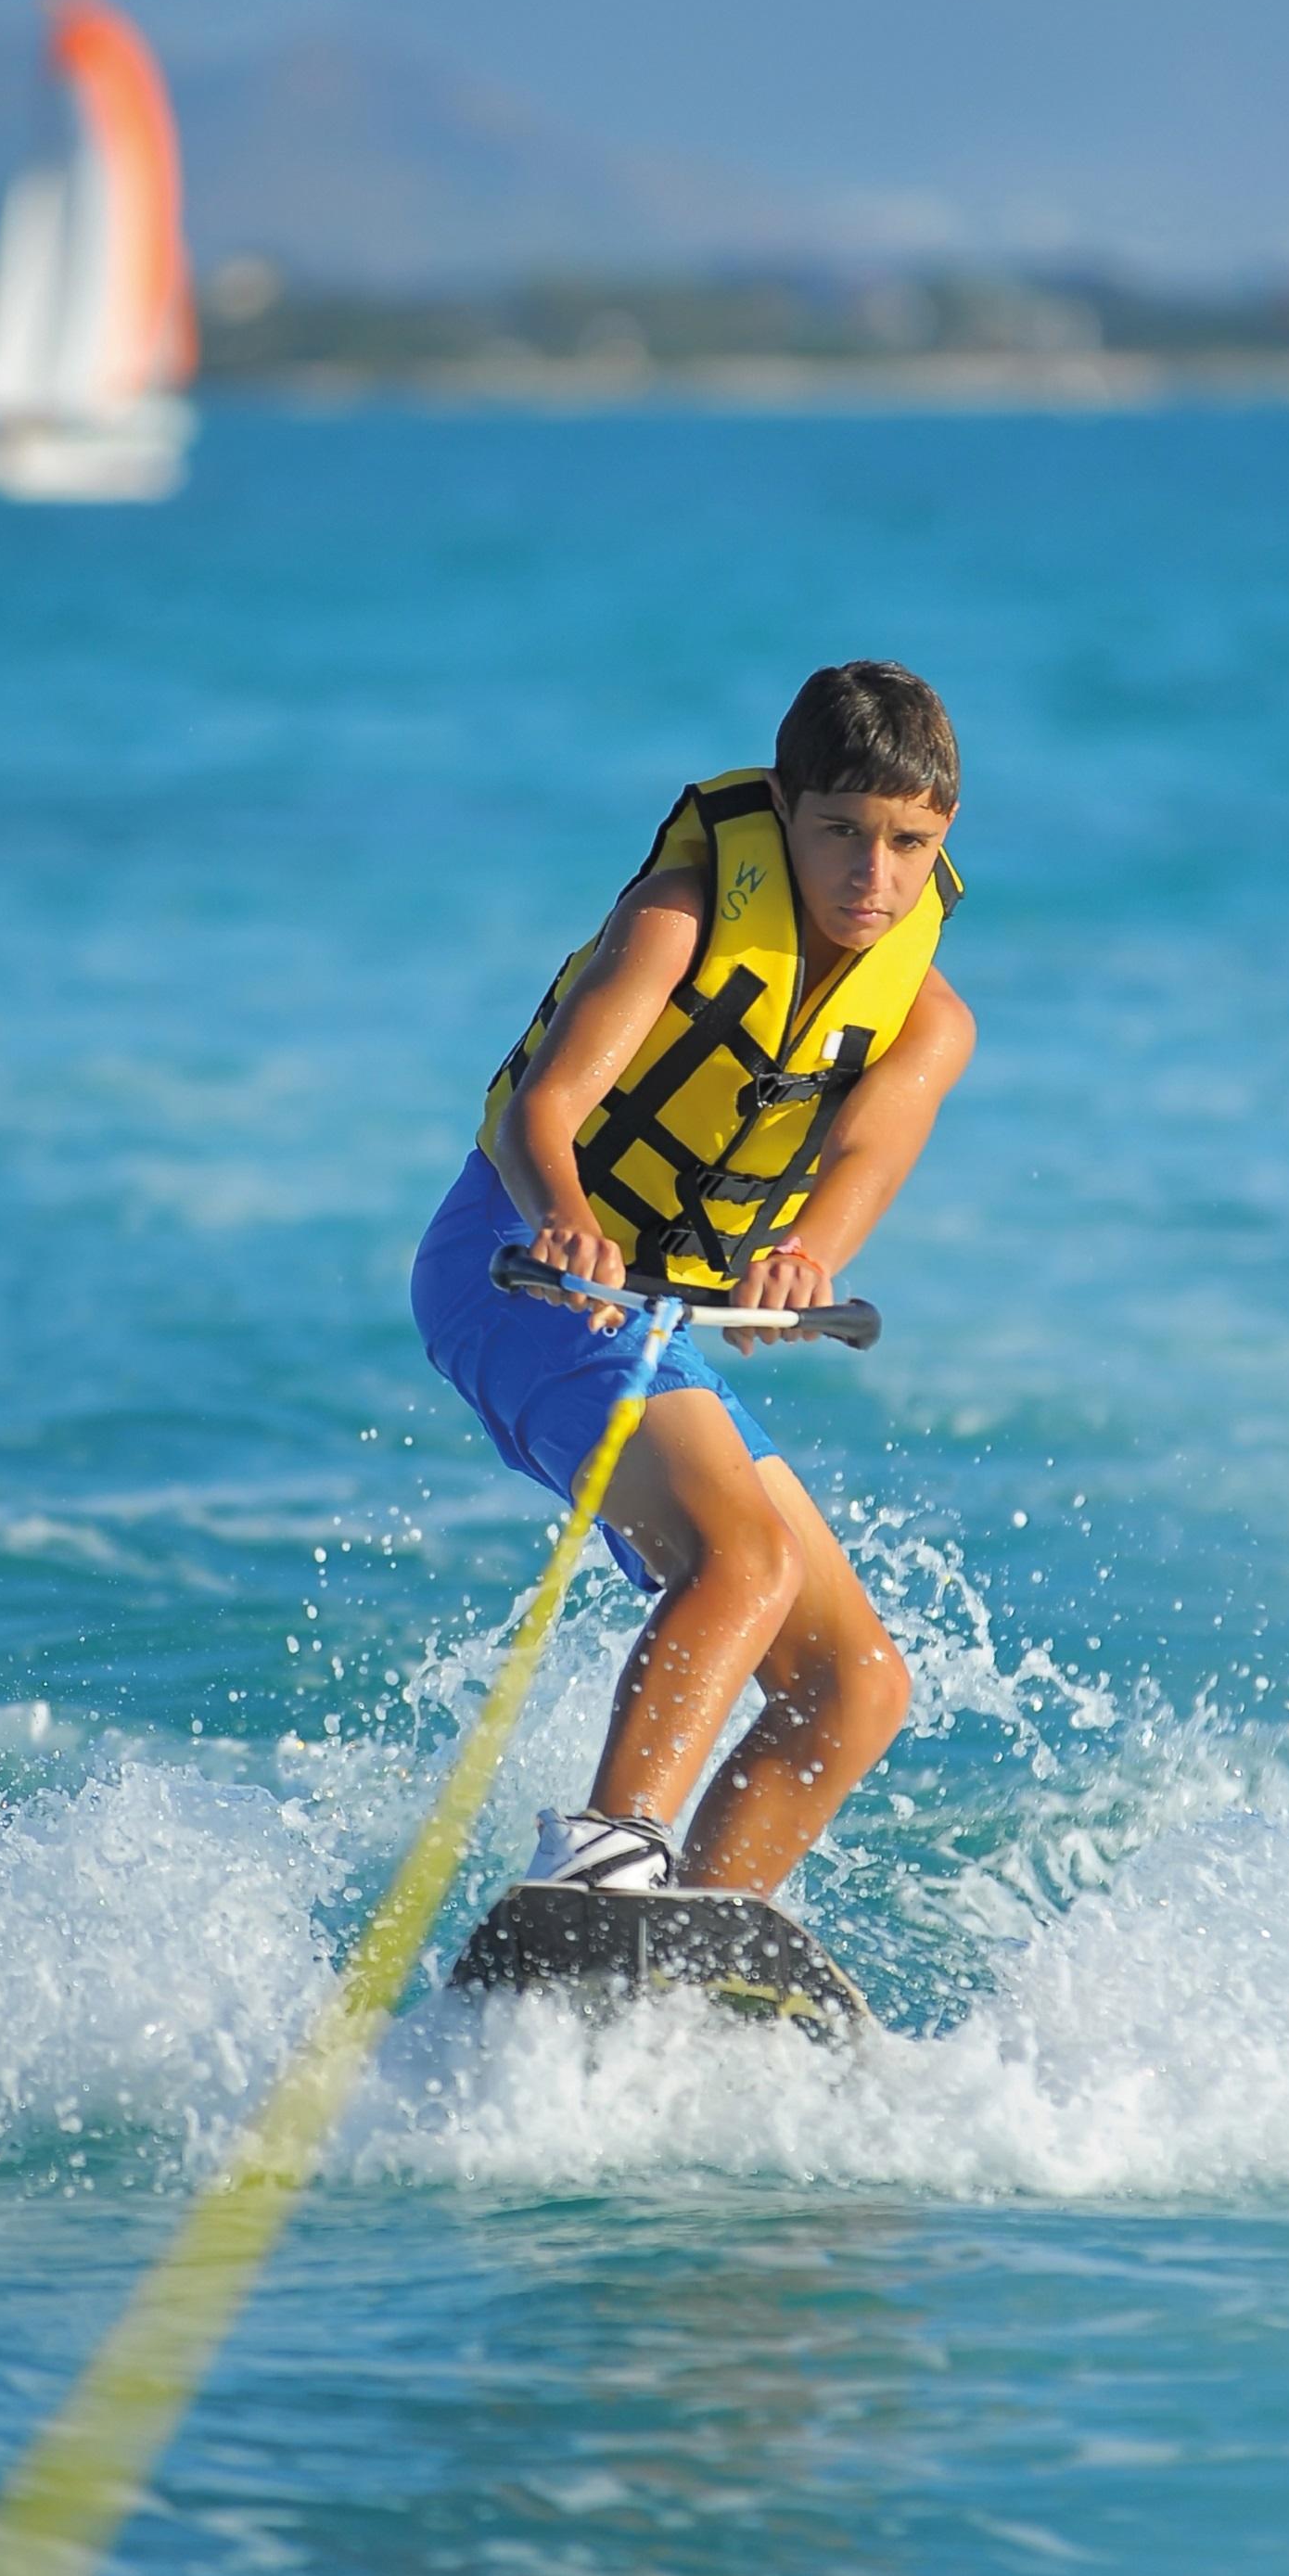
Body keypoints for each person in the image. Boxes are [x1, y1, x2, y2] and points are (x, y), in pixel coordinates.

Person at [413, 660, 974, 1899]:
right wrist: (566, 1220)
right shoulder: (683, 908)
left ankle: (696, 1948)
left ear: (942, 842)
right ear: (781, 807)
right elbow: (546, 1109)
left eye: (906, 843)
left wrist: (805, 1258)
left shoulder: (928, 1021)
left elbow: (864, 1159)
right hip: (515, 1267)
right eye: (837, 832)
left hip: (650, 1324)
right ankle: (602, 1861)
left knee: (858, 1683)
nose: (869, 877)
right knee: (745, 1560)